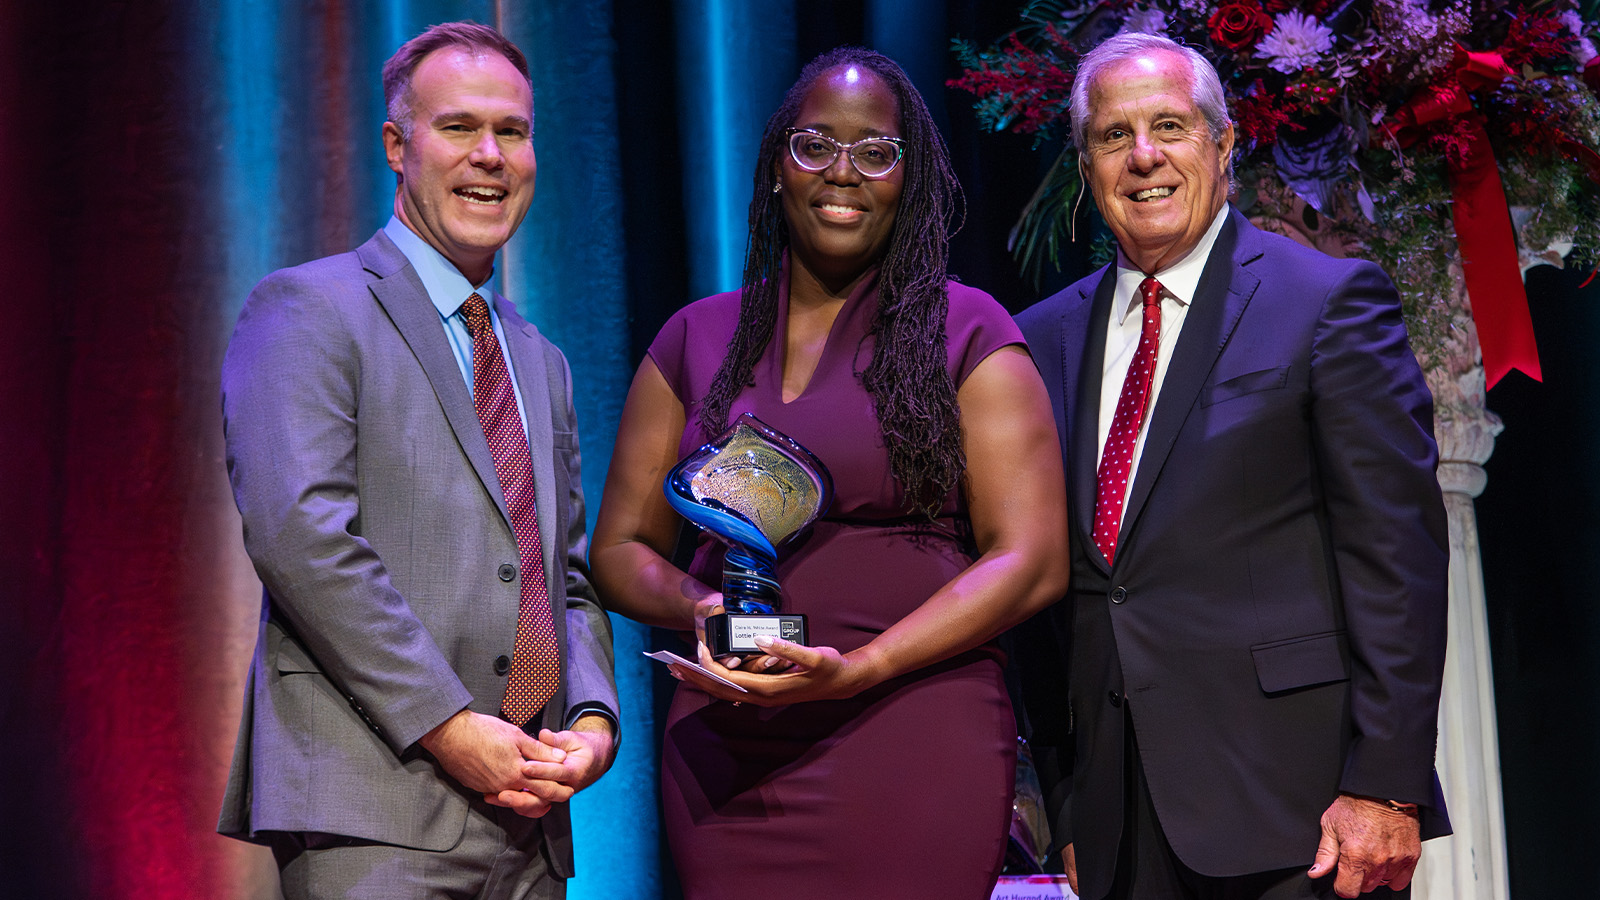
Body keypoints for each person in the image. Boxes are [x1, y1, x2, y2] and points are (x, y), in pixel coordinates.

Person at [591, 47, 1070, 897]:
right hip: (731, 752)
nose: (841, 173)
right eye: (815, 145)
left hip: (914, 731)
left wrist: (864, 666)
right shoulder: (697, 337)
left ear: (908, 180)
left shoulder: (966, 331)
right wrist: (706, 606)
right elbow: (621, 548)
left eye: (875, 152)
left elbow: (1029, 560)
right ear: (778, 165)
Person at [1012, 32, 1451, 900]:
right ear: (1086, 163)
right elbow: (1048, 591)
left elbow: (1396, 557)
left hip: (1301, 811)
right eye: (1112, 136)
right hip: (1116, 820)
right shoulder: (1039, 338)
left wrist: (1387, 783)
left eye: (1170, 126)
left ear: (1223, 143)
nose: (1144, 158)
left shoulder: (1325, 300)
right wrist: (1068, 799)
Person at [216, 22, 618, 900]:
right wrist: (447, 726)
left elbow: (567, 576)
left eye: (512, 132)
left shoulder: (536, 354)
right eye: (459, 128)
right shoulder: (306, 310)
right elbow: (303, 541)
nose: (491, 156)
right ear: (399, 146)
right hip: (377, 808)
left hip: (531, 819)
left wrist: (591, 722)